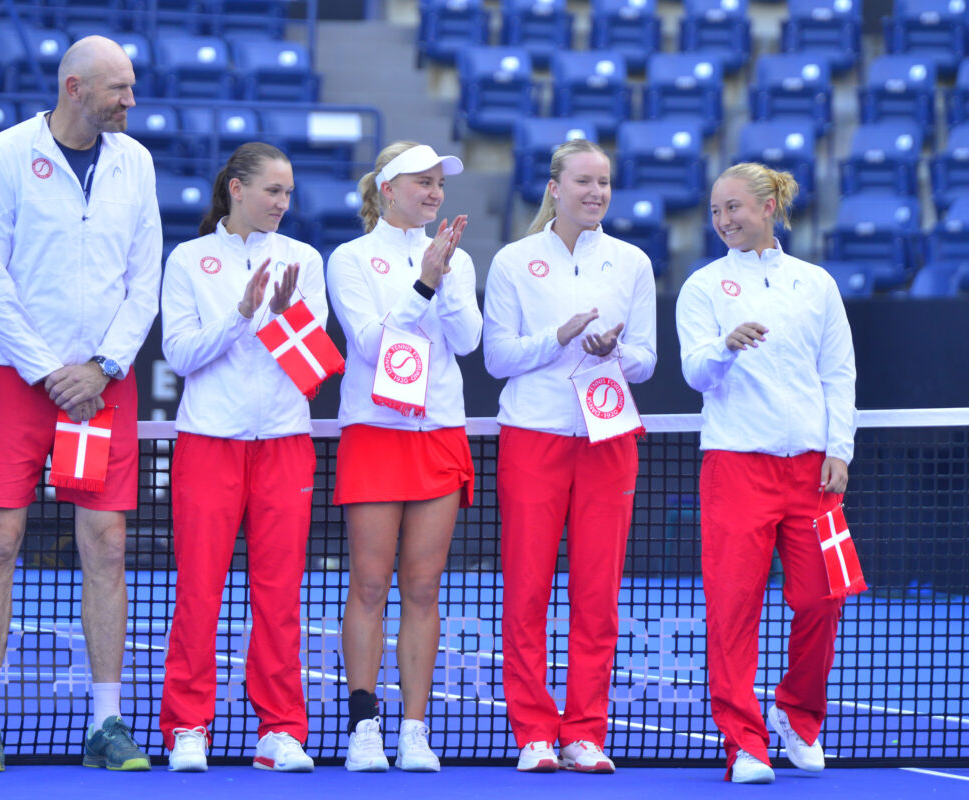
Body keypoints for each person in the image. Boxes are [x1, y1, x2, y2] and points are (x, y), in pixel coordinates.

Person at [0, 35, 161, 772]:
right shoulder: (3, 155)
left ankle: (107, 722)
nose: (131, 101)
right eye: (118, 89)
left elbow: (145, 278)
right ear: (74, 88)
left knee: (106, 546)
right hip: (15, 378)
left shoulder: (136, 162)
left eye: (131, 87)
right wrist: (50, 371)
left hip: (103, 383)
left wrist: (103, 366)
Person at [676, 163, 856, 784]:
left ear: (768, 206)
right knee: (733, 609)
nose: (723, 220)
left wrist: (839, 449)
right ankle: (744, 743)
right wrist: (724, 347)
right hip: (735, 466)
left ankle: (797, 716)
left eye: (734, 207)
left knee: (824, 599)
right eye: (715, 210)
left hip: (812, 472)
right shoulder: (702, 287)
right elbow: (694, 372)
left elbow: (838, 372)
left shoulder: (816, 283)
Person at [482, 139, 657, 774]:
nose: (596, 192)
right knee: (527, 589)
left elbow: (647, 360)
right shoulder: (513, 261)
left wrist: (614, 352)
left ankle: (584, 731)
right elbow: (496, 357)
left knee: (597, 594)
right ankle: (533, 731)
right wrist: (556, 339)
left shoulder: (632, 262)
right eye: (583, 181)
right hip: (533, 436)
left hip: (608, 440)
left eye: (604, 182)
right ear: (555, 188)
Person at [157, 142, 323, 773]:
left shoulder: (304, 259)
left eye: (288, 193)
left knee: (279, 596)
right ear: (236, 188)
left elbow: (311, 365)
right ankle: (188, 724)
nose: (282, 203)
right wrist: (243, 313)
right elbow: (180, 355)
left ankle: (280, 729)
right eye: (272, 191)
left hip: (285, 443)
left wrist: (282, 316)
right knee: (199, 591)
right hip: (209, 442)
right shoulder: (188, 259)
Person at [326, 141, 482, 772]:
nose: (434, 192)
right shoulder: (350, 258)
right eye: (422, 182)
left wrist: (442, 277)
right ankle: (364, 726)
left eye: (439, 183)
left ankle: (414, 729)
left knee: (422, 586)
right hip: (375, 429)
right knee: (368, 584)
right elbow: (370, 344)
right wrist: (424, 281)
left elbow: (467, 340)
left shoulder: (456, 257)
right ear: (388, 189)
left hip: (438, 429)